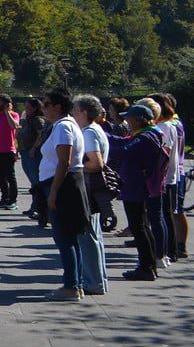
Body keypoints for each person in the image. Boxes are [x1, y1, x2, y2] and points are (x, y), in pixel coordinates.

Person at [39, 90, 90, 301]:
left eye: (47, 104)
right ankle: (75, 284)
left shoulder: (63, 127)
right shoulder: (67, 125)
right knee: (69, 237)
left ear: (57, 106)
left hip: (63, 185)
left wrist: (53, 192)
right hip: (68, 184)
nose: (44, 108)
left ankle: (71, 286)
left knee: (64, 238)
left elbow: (64, 162)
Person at [111, 101, 167, 281]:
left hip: (136, 186)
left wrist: (104, 144)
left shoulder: (146, 137)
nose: (126, 121)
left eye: (129, 118)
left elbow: (124, 150)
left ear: (138, 120)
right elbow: (123, 142)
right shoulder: (148, 134)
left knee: (139, 227)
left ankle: (145, 267)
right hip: (137, 185)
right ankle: (149, 265)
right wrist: (103, 136)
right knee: (142, 226)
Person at [72, 94, 109, 297]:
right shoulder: (96, 130)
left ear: (84, 113)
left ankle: (93, 281)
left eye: (75, 110)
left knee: (88, 238)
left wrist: (74, 165)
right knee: (94, 237)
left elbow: (96, 163)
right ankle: (98, 279)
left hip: (87, 188)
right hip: (93, 189)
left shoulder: (88, 133)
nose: (73, 113)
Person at [150, 93, 186, 261]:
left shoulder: (167, 126)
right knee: (168, 214)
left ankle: (169, 249)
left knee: (167, 214)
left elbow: (165, 153)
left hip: (168, 176)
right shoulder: (169, 125)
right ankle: (171, 249)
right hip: (171, 174)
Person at [0, 95, 20, 209]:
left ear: (6, 104)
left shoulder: (14, 115)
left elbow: (14, 126)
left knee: (10, 176)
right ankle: (4, 198)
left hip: (8, 150)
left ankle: (12, 200)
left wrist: (7, 112)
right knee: (0, 176)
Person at [19, 98, 48, 226]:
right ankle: (34, 206)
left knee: (36, 181)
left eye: (29, 107)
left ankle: (38, 207)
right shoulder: (28, 119)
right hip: (25, 152)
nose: (26, 109)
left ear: (35, 108)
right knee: (32, 181)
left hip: (33, 153)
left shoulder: (37, 119)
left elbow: (41, 134)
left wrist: (34, 148)